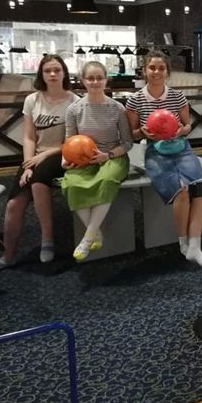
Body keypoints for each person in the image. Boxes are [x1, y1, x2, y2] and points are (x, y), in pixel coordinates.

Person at [0, 55, 79, 274]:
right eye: (48, 71)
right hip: (35, 157)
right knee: (13, 204)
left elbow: (72, 141)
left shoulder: (74, 101)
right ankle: (7, 256)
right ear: (41, 75)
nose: (53, 74)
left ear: (64, 73)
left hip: (61, 154)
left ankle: (47, 240)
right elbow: (29, 137)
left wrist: (42, 157)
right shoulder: (32, 100)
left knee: (38, 181)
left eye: (57, 70)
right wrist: (27, 165)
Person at [125, 51, 202, 268]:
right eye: (152, 68)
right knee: (182, 190)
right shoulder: (135, 100)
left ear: (167, 72)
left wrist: (180, 130)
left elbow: (187, 126)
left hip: (181, 148)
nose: (157, 72)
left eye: (161, 68)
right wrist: (143, 132)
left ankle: (195, 246)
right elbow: (131, 134)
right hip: (154, 150)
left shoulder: (177, 96)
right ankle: (183, 243)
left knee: (200, 189)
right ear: (145, 71)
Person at [61, 61, 132, 261]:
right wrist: (64, 160)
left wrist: (107, 155)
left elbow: (127, 143)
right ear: (83, 80)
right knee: (71, 184)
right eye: (90, 78)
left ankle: (87, 239)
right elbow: (69, 140)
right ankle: (95, 233)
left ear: (106, 80)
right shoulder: (74, 109)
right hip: (83, 158)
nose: (95, 82)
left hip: (113, 157)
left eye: (99, 78)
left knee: (106, 180)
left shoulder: (117, 108)